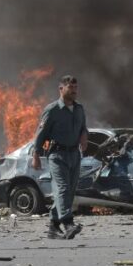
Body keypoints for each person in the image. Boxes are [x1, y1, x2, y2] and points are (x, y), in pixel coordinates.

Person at [31, 75, 88, 240]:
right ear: (61, 89)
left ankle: (53, 227)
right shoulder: (52, 110)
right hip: (57, 155)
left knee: (69, 191)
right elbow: (40, 135)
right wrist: (36, 154)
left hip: (74, 154)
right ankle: (68, 223)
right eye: (71, 88)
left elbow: (83, 128)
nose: (74, 92)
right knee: (62, 189)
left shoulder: (79, 109)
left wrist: (84, 136)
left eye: (76, 88)